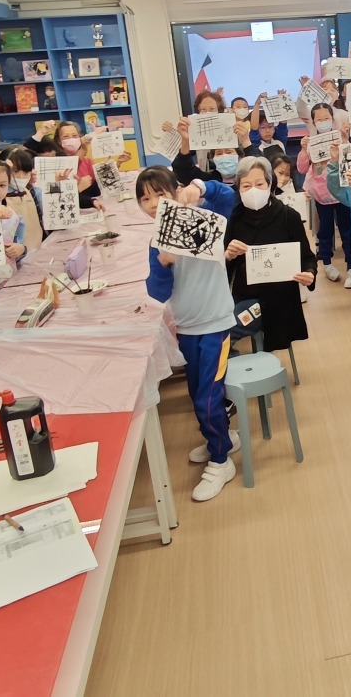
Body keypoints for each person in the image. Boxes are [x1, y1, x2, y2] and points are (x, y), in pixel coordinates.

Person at [138, 166, 242, 502]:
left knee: (208, 396)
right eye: (145, 198)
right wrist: (164, 264)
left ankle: (221, 460)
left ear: (175, 190)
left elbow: (228, 195)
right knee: (197, 391)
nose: (153, 203)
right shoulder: (156, 242)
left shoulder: (204, 215)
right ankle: (221, 439)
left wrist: (199, 187)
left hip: (216, 323)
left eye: (159, 194)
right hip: (187, 326)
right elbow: (157, 292)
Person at [225, 155, 318, 352]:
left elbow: (307, 257)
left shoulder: (288, 216)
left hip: (278, 301)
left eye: (259, 184)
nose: (253, 190)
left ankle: (232, 364)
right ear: (238, 189)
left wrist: (309, 273)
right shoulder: (235, 218)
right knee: (216, 329)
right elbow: (223, 266)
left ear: (269, 184)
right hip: (243, 297)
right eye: (246, 186)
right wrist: (228, 256)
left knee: (224, 333)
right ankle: (231, 362)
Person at [296, 101, 351, 290]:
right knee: (325, 231)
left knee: (347, 231)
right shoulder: (311, 141)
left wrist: (345, 139)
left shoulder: (339, 137)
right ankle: (327, 264)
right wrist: (303, 149)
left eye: (327, 118)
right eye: (319, 119)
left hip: (342, 193)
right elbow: (302, 168)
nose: (323, 122)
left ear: (332, 118)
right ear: (313, 122)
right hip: (322, 195)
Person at [52, 120, 100, 209]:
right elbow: (58, 198)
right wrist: (79, 187)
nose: (71, 139)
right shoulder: (56, 163)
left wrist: (117, 164)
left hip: (88, 205)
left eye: (74, 136)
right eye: (66, 137)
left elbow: (98, 188)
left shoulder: (87, 161)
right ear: (59, 141)